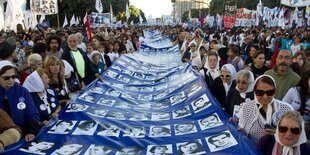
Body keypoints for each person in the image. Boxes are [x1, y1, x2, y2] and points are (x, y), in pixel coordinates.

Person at [238, 75, 294, 144]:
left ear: (275, 91)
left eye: (270, 92)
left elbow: (295, 135)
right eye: (260, 92)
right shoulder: (247, 107)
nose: (265, 96)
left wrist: (279, 134)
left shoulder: (286, 109)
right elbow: (242, 127)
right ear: (254, 92)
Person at [0, 62, 40, 142]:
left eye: (13, 77)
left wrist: (31, 131)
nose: (11, 80)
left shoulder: (22, 91)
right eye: (6, 78)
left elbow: (33, 114)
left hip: (23, 136)